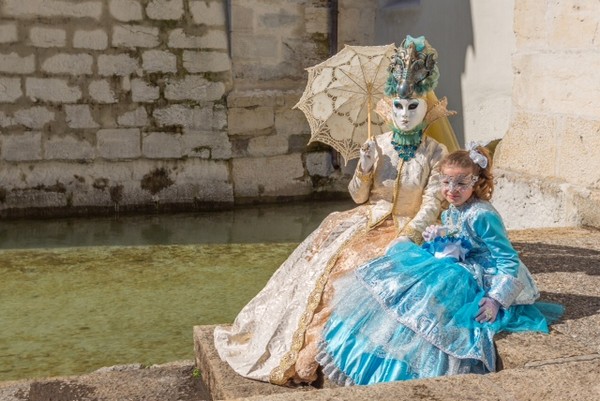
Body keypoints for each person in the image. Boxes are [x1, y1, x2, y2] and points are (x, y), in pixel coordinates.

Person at [214, 35, 459, 385]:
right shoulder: (376, 144)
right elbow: (358, 197)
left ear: (426, 109)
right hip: (366, 220)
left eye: (413, 107)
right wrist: (364, 167)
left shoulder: (435, 152)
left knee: (357, 270)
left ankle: (319, 352)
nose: (404, 115)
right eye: (399, 106)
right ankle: (292, 341)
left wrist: (408, 236)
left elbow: (433, 203)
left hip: (408, 228)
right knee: (325, 266)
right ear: (389, 107)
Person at [315, 144, 564, 385]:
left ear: (476, 183)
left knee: (435, 287)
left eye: (461, 183)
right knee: (405, 275)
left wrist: (497, 298)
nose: (452, 190)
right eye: (446, 182)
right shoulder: (454, 207)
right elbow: (462, 235)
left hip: (488, 273)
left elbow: (507, 258)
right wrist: (442, 234)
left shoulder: (483, 214)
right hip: (463, 262)